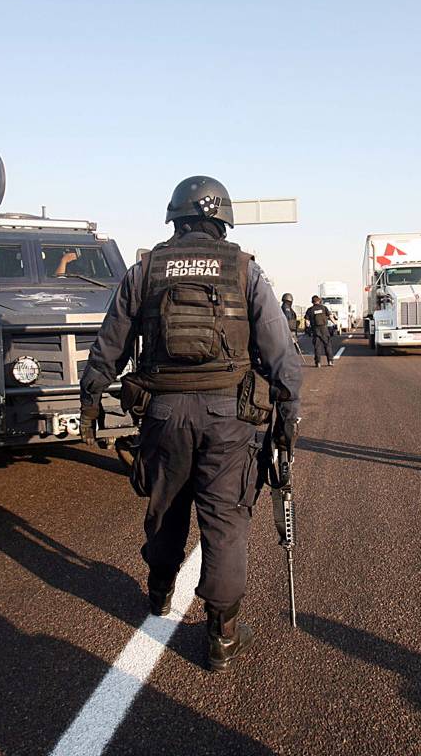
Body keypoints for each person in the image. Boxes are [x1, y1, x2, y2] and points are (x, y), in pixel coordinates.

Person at [79, 175, 302, 672]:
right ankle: (221, 635)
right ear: (223, 220)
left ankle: (159, 594)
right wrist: (288, 420)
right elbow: (280, 355)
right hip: (230, 417)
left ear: (175, 218)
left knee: (166, 505)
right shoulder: (245, 271)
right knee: (225, 521)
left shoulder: (146, 270)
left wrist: (91, 399)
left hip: (163, 413)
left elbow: (111, 341)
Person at [304, 295, 335, 367]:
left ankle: (318, 362)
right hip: (324, 329)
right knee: (327, 345)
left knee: (317, 347)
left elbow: (307, 321)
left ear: (312, 302)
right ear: (319, 301)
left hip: (315, 330)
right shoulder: (324, 308)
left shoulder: (310, 310)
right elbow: (330, 317)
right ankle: (330, 361)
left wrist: (308, 329)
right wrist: (335, 323)